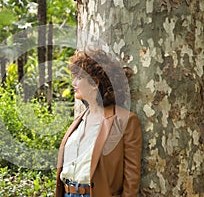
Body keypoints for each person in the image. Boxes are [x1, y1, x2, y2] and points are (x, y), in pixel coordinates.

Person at [55, 50, 142, 197]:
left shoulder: (125, 120)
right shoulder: (79, 121)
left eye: (78, 77)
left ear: (95, 82)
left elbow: (131, 179)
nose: (73, 83)